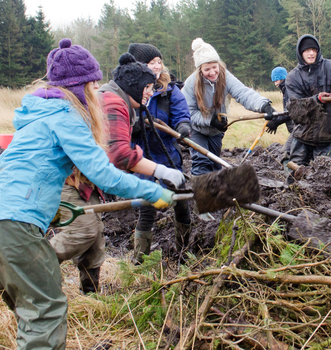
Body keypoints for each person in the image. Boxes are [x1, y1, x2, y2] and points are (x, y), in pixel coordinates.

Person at [0, 39, 175, 350]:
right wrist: (153, 190)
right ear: (82, 85)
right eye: (94, 84)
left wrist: (49, 209)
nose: (97, 91)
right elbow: (104, 171)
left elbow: (22, 169)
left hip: (11, 217)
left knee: (31, 301)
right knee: (47, 309)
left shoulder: (36, 115)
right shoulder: (66, 115)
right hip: (15, 224)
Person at [50, 51, 185, 291]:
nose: (150, 93)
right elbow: (119, 154)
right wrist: (160, 172)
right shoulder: (113, 101)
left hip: (86, 180)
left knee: (95, 241)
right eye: (147, 87)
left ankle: (89, 294)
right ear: (134, 85)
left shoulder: (118, 99)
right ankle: (25, 265)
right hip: (69, 180)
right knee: (84, 233)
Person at [128, 42, 193, 259]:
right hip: (141, 157)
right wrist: (137, 126)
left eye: (158, 62)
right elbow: (122, 125)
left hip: (167, 154)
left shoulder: (169, 90)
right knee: (147, 207)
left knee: (181, 201)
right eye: (151, 63)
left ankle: (184, 251)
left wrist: (183, 127)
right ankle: (140, 259)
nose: (156, 67)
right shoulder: (130, 93)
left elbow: (182, 114)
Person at [182, 38, 275, 176]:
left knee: (214, 164)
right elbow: (188, 112)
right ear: (200, 69)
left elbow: (243, 93)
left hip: (216, 131)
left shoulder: (225, 76)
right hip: (196, 130)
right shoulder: (191, 84)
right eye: (207, 69)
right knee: (201, 162)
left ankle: (216, 195)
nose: (212, 72)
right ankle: (199, 195)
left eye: (215, 67)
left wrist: (264, 105)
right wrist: (210, 120)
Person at [284, 34, 331, 177]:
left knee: (323, 179)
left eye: (314, 49)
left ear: (318, 51)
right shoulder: (293, 77)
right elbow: (296, 109)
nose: (311, 53)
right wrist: (317, 99)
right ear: (301, 53)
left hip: (327, 135)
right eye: (307, 50)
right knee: (294, 177)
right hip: (302, 136)